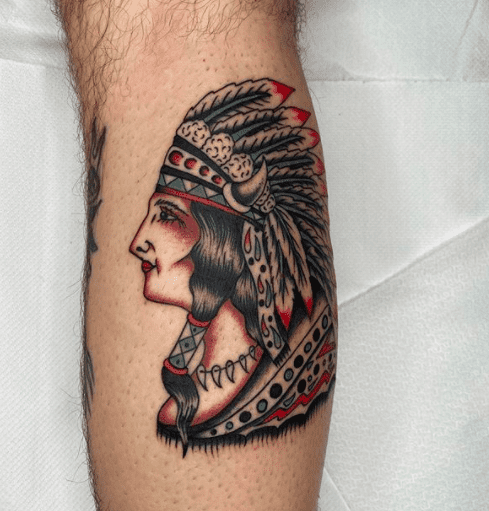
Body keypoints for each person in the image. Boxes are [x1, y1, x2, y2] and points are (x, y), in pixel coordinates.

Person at [55, 0, 338, 508]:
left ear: (233, 239)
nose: (137, 241)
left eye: (168, 216)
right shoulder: (201, 388)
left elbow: (175, 33)